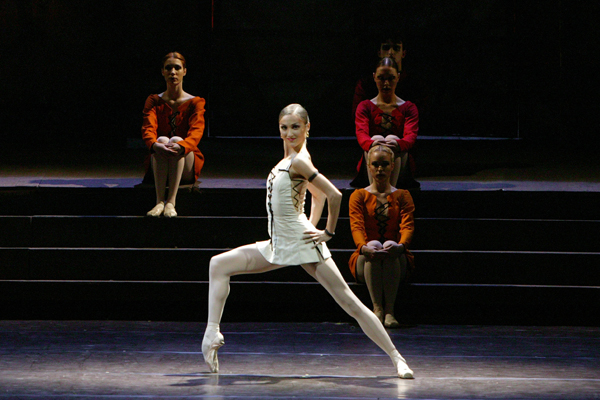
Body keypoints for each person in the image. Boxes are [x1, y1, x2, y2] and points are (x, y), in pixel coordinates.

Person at [201, 104, 414, 379]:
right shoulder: (293, 160)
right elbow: (317, 196)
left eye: (295, 127)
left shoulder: (300, 160)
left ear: (307, 128)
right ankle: (211, 334)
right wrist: (310, 224)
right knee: (218, 265)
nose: (289, 133)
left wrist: (326, 232)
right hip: (280, 243)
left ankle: (397, 358)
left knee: (350, 303)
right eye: (284, 127)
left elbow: (333, 195)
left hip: (300, 243)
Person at [349, 145, 415, 329]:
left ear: (393, 166)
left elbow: (407, 226)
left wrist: (401, 247)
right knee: (375, 244)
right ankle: (377, 309)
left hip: (396, 257)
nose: (380, 169)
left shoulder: (403, 195)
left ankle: (390, 311)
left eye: (385, 164)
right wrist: (364, 248)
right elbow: (357, 227)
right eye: (376, 165)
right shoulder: (358, 196)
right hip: (366, 257)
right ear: (369, 166)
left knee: (389, 245)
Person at [141, 52, 206, 217]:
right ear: (162, 71)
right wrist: (155, 145)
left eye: (177, 68)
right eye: (168, 68)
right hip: (161, 160)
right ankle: (159, 202)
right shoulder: (154, 100)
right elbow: (148, 128)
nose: (172, 72)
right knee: (161, 139)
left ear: (184, 71)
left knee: (177, 139)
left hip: (185, 162)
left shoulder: (195, 102)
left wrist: (181, 146)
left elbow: (196, 132)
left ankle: (171, 202)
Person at [351, 57, 419, 190]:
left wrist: (398, 144)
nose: (386, 83)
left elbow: (411, 136)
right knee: (376, 140)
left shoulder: (408, 108)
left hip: (399, 163)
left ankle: (389, 195)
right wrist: (373, 144)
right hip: (371, 163)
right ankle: (375, 193)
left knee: (392, 139)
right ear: (374, 77)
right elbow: (361, 134)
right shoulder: (365, 106)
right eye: (381, 78)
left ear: (398, 77)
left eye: (391, 78)